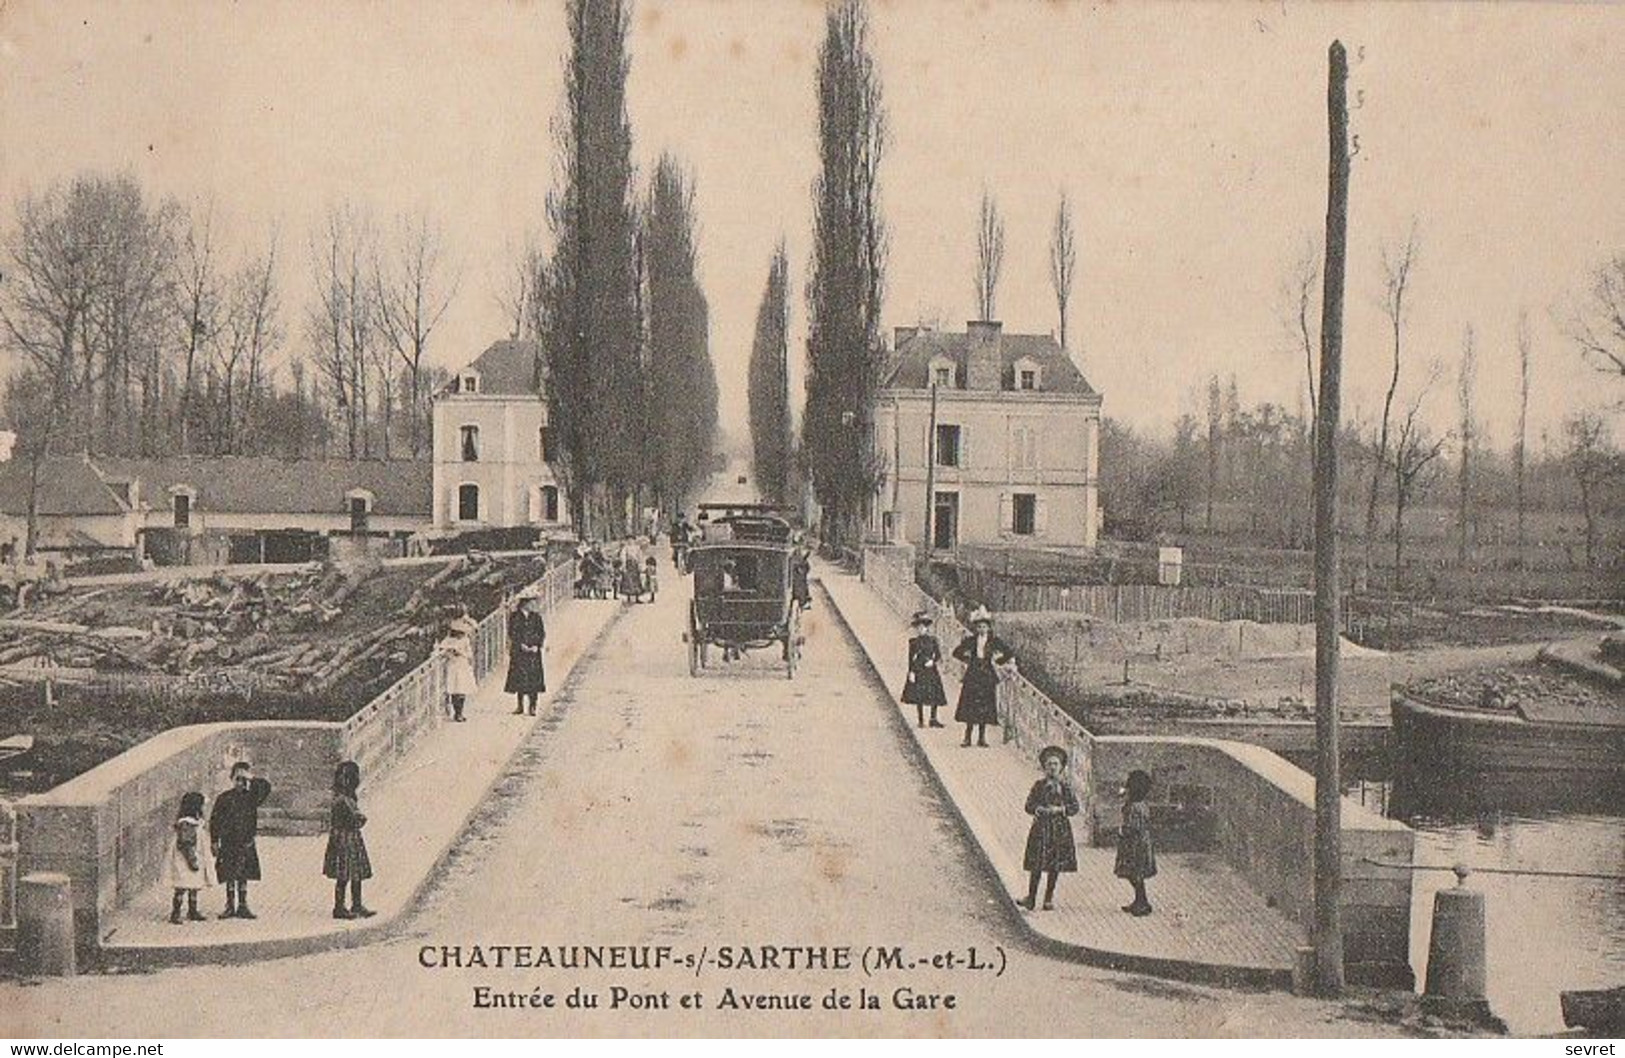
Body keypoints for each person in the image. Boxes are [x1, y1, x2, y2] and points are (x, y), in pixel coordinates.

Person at [1019, 746, 1080, 911]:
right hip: (1041, 828)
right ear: (1044, 767)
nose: (1052, 767)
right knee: (1036, 864)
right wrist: (1038, 809)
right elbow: (1028, 805)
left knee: (1055, 865)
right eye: (1049, 764)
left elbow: (1074, 807)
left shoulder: (1065, 787)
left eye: (1055, 764)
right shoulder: (1038, 785)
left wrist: (1059, 810)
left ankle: (1048, 898)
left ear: (1061, 767)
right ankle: (1031, 898)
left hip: (1059, 829)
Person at [209, 761, 272, 919]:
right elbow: (214, 820)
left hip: (246, 842)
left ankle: (243, 905)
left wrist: (250, 777)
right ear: (232, 779)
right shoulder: (224, 798)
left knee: (243, 874)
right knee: (230, 875)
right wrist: (214, 840)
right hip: (229, 843)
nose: (240, 783)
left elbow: (265, 787)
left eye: (243, 780)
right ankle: (230, 905)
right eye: (238, 779)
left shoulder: (251, 797)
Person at [951, 606, 1014, 747]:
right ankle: (967, 737)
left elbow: (1008, 652)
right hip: (973, 674)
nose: (982, 629)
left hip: (987, 675)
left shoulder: (994, 641)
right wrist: (967, 660)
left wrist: (998, 661)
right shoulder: (971, 640)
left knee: (984, 707)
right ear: (976, 628)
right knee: (970, 706)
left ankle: (981, 738)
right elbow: (956, 652)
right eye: (979, 626)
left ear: (989, 628)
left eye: (984, 626)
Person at [323, 760, 374, 920]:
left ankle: (356, 905)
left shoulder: (342, 797)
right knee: (344, 875)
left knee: (354, 873)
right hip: (345, 839)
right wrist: (360, 819)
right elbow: (356, 819)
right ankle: (339, 908)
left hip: (348, 837)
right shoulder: (342, 800)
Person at [163, 791, 214, 924]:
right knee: (182, 885)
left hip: (194, 855)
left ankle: (193, 910)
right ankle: (176, 913)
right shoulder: (187, 824)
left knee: (193, 885)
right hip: (186, 858)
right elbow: (186, 844)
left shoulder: (194, 823)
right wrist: (192, 860)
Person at [1115, 769, 1157, 916]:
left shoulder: (1135, 807)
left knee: (1135, 874)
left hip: (1135, 845)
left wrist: (1122, 831)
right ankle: (1140, 900)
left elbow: (1133, 827)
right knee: (1135, 875)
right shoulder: (1139, 804)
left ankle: (1142, 903)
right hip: (1139, 843)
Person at [902, 611, 947, 728]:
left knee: (935, 694)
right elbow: (911, 658)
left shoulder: (932, 640)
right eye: (918, 628)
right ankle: (921, 720)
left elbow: (937, 654)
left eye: (923, 627)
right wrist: (911, 672)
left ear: (927, 628)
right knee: (919, 695)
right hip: (919, 669)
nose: (920, 629)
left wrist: (932, 661)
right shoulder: (914, 642)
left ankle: (933, 718)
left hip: (930, 669)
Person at [505, 595, 547, 716]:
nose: (534, 605)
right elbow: (512, 633)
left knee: (534, 679)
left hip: (533, 652)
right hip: (519, 651)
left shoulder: (536, 617)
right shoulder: (515, 616)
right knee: (520, 678)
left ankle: (533, 706)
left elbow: (541, 633)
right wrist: (520, 645)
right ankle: (520, 706)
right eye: (531, 603)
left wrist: (537, 645)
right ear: (525, 604)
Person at [441, 611, 478, 722]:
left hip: (462, 665)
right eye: (458, 632)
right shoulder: (448, 640)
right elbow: (441, 651)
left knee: (462, 690)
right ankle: (456, 712)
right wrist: (449, 652)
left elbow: (470, 654)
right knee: (454, 689)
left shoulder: (465, 640)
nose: (460, 634)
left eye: (462, 632)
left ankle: (459, 713)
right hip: (453, 666)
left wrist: (461, 653)